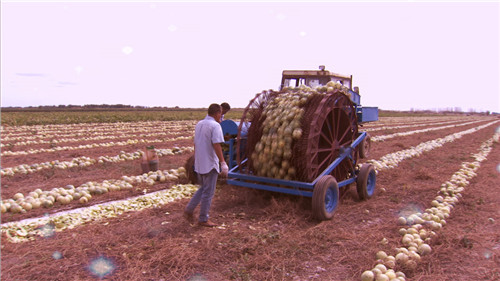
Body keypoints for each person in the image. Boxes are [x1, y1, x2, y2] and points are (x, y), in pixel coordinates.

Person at [184, 103, 229, 227]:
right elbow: (217, 145)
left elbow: (195, 143)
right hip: (210, 163)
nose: (221, 116)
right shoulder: (215, 126)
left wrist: (196, 158)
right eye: (221, 113)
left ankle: (189, 209)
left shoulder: (199, 124)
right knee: (208, 192)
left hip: (199, 162)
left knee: (203, 188)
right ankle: (203, 219)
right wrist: (223, 163)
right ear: (217, 113)